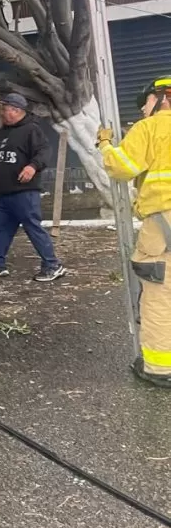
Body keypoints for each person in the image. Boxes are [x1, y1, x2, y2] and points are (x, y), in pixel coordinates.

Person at [98, 75, 171, 387]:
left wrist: (104, 143)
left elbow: (121, 167)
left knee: (159, 296)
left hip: (164, 222)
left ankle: (158, 368)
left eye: (145, 104)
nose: (143, 111)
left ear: (158, 98)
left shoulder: (151, 127)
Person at [0, 89, 66, 281]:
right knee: (1, 229)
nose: (3, 113)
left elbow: (44, 151)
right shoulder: (3, 132)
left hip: (24, 193)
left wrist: (32, 167)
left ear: (17, 110)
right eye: (3, 109)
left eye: (6, 109)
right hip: (3, 194)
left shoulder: (31, 130)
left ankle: (53, 264)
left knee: (33, 228)